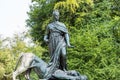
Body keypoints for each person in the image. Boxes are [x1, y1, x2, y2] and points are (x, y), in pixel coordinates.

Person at [44, 10, 72, 78]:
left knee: (63, 54)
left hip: (61, 41)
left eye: (58, 15)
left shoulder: (62, 25)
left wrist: (68, 43)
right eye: (56, 15)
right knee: (53, 58)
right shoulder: (49, 25)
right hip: (52, 43)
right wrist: (45, 39)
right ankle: (55, 70)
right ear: (53, 16)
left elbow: (66, 34)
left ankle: (64, 69)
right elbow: (46, 35)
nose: (57, 16)